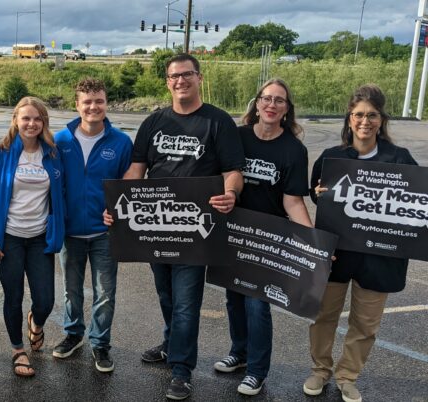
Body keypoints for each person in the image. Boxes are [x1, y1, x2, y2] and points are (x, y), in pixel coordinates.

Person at [105, 53, 245, 400]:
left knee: (186, 302)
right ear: (167, 82)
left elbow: (233, 171)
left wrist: (230, 194)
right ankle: (171, 344)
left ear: (199, 77)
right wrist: (117, 207)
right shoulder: (154, 122)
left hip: (195, 231)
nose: (180, 81)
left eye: (187, 75)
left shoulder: (218, 121)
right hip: (155, 226)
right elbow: (137, 170)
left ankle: (181, 370)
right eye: (173, 76)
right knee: (166, 294)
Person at [305, 84, 417, 402]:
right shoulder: (332, 157)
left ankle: (347, 376)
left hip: (380, 257)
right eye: (358, 115)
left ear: (381, 119)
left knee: (365, 324)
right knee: (324, 316)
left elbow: (414, 205)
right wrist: (320, 195)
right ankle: (320, 370)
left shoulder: (401, 159)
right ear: (349, 118)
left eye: (371, 115)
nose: (364, 121)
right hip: (337, 252)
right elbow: (317, 191)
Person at [212, 79, 312, 396]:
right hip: (233, 231)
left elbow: (293, 201)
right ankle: (239, 354)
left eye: (279, 101)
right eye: (266, 98)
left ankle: (257, 370)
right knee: (234, 298)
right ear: (257, 104)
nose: (271, 104)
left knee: (257, 303)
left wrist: (312, 242)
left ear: (286, 109)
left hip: (268, 239)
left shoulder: (294, 150)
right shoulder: (237, 137)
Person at [0, 96, 66, 377]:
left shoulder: (52, 153)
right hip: (8, 238)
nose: (32, 123)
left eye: (37, 118)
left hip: (40, 238)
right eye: (26, 118)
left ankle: (35, 324)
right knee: (13, 296)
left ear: (44, 123)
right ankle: (17, 350)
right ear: (15, 120)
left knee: (46, 300)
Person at [52, 77, 132, 373]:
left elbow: (129, 186)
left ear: (106, 103)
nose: (93, 107)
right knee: (71, 290)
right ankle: (73, 335)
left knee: (105, 292)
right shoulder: (59, 140)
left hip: (105, 233)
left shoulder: (121, 142)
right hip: (69, 232)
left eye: (99, 101)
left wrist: (118, 213)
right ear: (77, 105)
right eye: (87, 102)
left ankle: (100, 343)